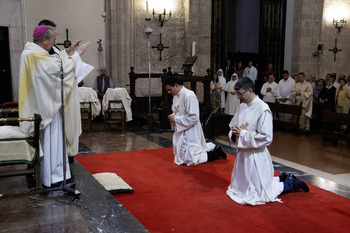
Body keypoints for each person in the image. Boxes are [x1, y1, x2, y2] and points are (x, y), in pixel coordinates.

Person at [18, 25, 90, 187]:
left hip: (43, 104)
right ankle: (53, 177)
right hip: (44, 108)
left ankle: (56, 175)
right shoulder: (34, 55)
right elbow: (57, 69)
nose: (54, 43)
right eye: (53, 40)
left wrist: (69, 51)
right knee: (53, 139)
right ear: (44, 40)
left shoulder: (32, 53)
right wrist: (77, 55)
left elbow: (54, 62)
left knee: (54, 140)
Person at [226, 77, 309, 206]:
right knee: (241, 190)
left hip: (256, 157)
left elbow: (266, 137)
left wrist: (242, 133)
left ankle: (290, 183)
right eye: (236, 93)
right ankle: (282, 177)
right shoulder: (242, 107)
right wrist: (233, 133)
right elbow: (233, 126)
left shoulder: (263, 109)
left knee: (260, 194)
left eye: (240, 93)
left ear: (250, 90)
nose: (237, 97)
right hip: (243, 156)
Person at [163, 76, 227, 166]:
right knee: (183, 157)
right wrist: (173, 116)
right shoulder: (176, 96)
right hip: (181, 129)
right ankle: (212, 149)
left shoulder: (189, 95)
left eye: (170, 90)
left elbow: (194, 117)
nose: (169, 92)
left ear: (176, 85)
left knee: (192, 159)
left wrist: (176, 119)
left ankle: (216, 153)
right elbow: (177, 111)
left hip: (190, 129)